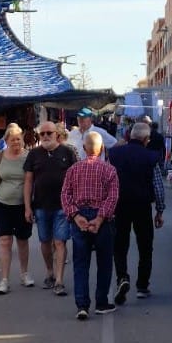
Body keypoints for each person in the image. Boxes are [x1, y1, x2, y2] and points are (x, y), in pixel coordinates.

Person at [60, 131, 120, 319]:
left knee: (80, 263)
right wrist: (100, 218)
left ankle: (82, 305)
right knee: (104, 262)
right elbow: (113, 197)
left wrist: (76, 216)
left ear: (84, 149)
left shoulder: (73, 170)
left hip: (80, 219)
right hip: (102, 220)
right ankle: (101, 302)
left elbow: (65, 195)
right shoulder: (109, 170)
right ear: (102, 148)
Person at [108, 122, 166, 303]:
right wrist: (160, 210)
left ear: (129, 136)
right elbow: (158, 186)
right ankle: (142, 285)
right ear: (146, 140)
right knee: (145, 245)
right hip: (142, 206)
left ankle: (122, 278)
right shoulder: (150, 157)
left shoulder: (114, 154)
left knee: (120, 245)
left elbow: (108, 180)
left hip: (120, 206)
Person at [23, 121, 78, 296]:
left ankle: (60, 280)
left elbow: (75, 179)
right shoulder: (34, 154)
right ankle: (50, 272)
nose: (46, 136)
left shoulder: (67, 152)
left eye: (49, 133)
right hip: (40, 206)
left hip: (63, 206)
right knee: (45, 241)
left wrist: (75, 203)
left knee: (60, 241)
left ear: (57, 135)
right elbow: (28, 181)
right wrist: (27, 207)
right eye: (42, 134)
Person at [0, 123, 34, 294]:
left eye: (18, 139)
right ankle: (4, 280)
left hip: (22, 205)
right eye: (13, 140)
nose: (16, 142)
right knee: (5, 241)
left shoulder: (29, 156)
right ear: (6, 140)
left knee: (22, 240)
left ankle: (24, 274)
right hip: (2, 204)